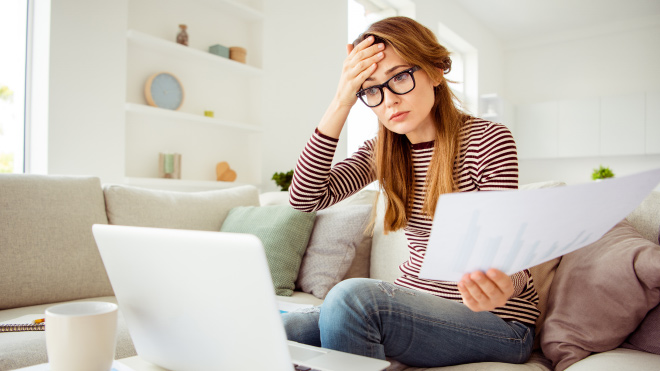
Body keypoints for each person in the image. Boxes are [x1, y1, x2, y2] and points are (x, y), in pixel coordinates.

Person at [284, 16, 539, 368]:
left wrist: (504, 285)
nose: (389, 100)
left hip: (499, 324)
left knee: (352, 297)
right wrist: (341, 100)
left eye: (400, 76)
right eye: (371, 89)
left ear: (435, 72)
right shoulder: (383, 150)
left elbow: (514, 259)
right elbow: (304, 198)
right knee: (276, 326)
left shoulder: (486, 139)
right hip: (412, 305)